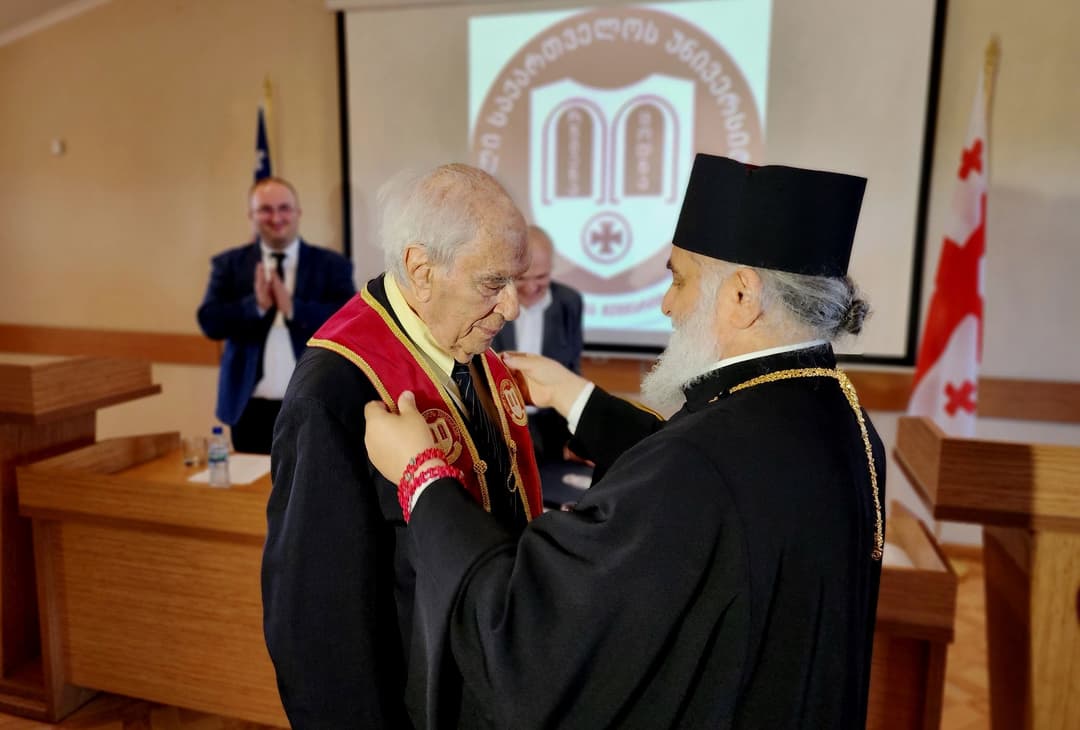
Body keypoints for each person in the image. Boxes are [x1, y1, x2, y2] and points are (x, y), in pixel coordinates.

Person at [364, 153, 886, 728]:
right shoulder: (835, 415)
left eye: (680, 279)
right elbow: (709, 482)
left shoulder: (704, 464)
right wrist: (575, 398)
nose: (667, 304)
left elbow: (530, 636)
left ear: (742, 295)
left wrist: (424, 477)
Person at [261, 163, 545, 728]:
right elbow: (317, 623)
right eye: (493, 284)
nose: (513, 307)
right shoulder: (333, 391)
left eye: (517, 281)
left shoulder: (466, 344)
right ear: (422, 270)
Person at [196, 176, 355, 454]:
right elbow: (209, 320)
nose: (276, 217)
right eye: (265, 210)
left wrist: (293, 308)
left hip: (312, 404)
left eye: (284, 208)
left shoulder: (332, 265)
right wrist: (255, 305)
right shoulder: (230, 265)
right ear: (251, 216)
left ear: (297, 213)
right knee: (248, 495)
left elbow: (348, 323)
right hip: (249, 410)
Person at [491, 225, 584, 465]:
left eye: (541, 277)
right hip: (500, 424)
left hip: (551, 424)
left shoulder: (569, 302)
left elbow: (571, 370)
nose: (531, 288)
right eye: (522, 278)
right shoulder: (491, 301)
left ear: (552, 269)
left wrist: (576, 435)